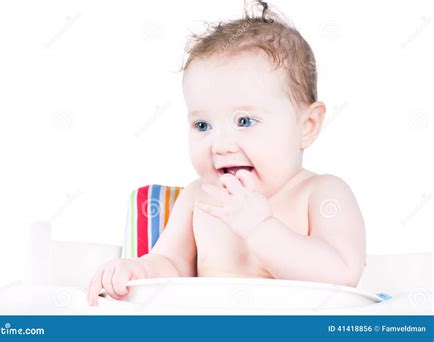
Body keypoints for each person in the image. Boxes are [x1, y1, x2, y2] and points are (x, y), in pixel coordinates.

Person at [88, 1, 365, 306]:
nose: (220, 145)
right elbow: (170, 264)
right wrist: (136, 270)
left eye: (244, 121)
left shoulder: (321, 194)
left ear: (307, 126)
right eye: (202, 124)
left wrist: (261, 230)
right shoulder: (198, 198)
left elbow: (343, 274)